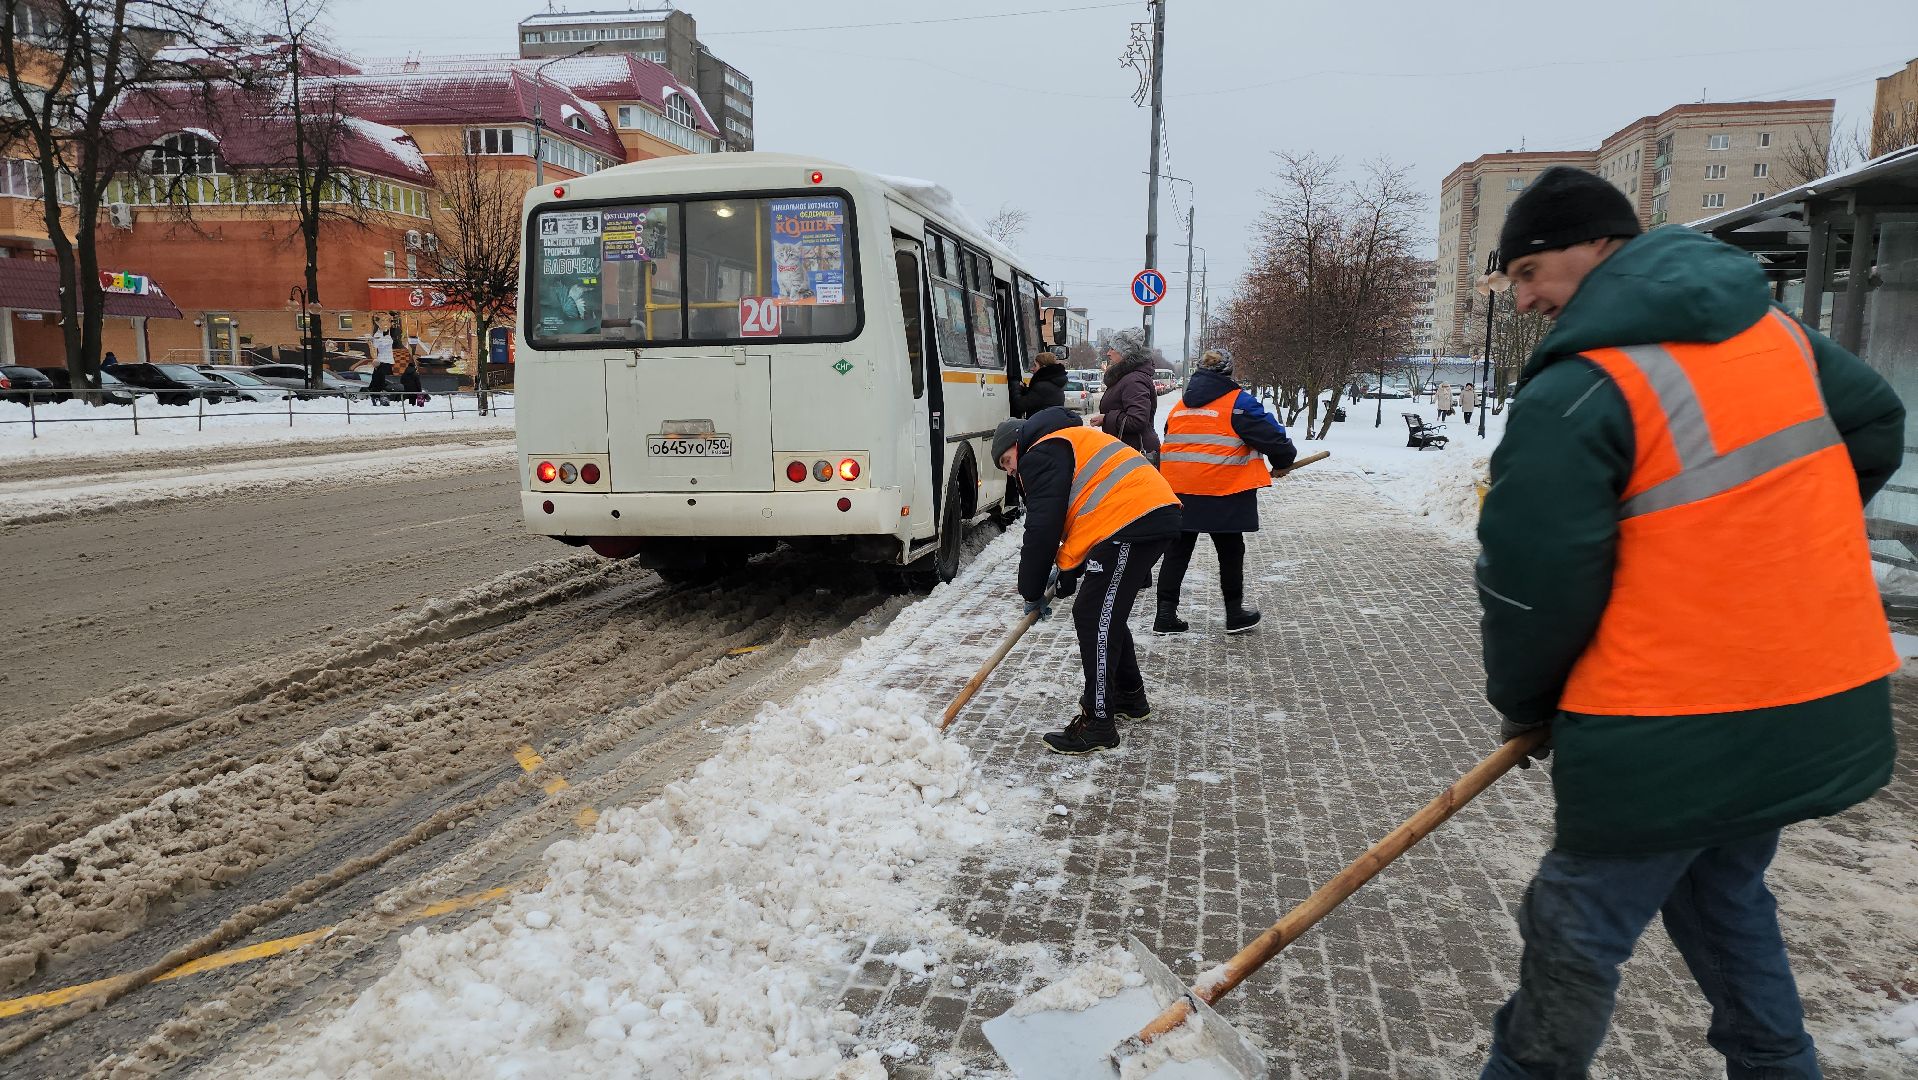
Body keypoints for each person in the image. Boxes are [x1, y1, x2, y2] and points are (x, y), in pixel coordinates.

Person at [1474, 166, 1904, 1080]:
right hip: (1801, 695)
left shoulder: (1582, 389)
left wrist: (1527, 701)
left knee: (1573, 930)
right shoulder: (1774, 330)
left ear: (1600, 248)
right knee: (1722, 894)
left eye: (1530, 271)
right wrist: (1766, 557)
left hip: (1667, 719)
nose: (1524, 297)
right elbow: (1873, 424)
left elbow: (1530, 584)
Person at [991, 406, 1182, 755]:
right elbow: (1083, 513)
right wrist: (1067, 568)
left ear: (1019, 443)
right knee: (1105, 610)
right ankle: (1129, 696)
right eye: (1005, 468)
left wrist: (1031, 590)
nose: (1010, 470)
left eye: (1006, 460)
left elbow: (1042, 528)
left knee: (1094, 614)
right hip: (1136, 516)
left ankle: (1098, 722)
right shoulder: (1064, 443)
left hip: (1133, 519)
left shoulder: (1040, 451)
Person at [1154, 349, 1296, 636]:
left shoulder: (1181, 404)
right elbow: (1273, 438)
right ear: (1229, 372)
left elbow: (1173, 436)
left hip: (1179, 489)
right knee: (1230, 550)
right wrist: (1283, 462)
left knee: (1177, 551)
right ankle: (1235, 615)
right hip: (1223, 489)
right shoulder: (1238, 403)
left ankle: (1165, 615)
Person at [1089, 330, 1161, 463]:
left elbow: (1137, 420)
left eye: (1112, 349)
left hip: (1135, 454)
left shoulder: (1134, 380)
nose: (1108, 353)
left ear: (1124, 353)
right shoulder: (1127, 378)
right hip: (1128, 451)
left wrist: (1106, 419)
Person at [1010, 346, 1068, 419]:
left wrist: (1015, 386)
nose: (1032, 369)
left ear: (1043, 367)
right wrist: (1024, 390)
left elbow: (1020, 405)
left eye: (1035, 365)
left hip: (1040, 427)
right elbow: (1037, 399)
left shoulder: (1042, 387)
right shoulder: (1053, 383)